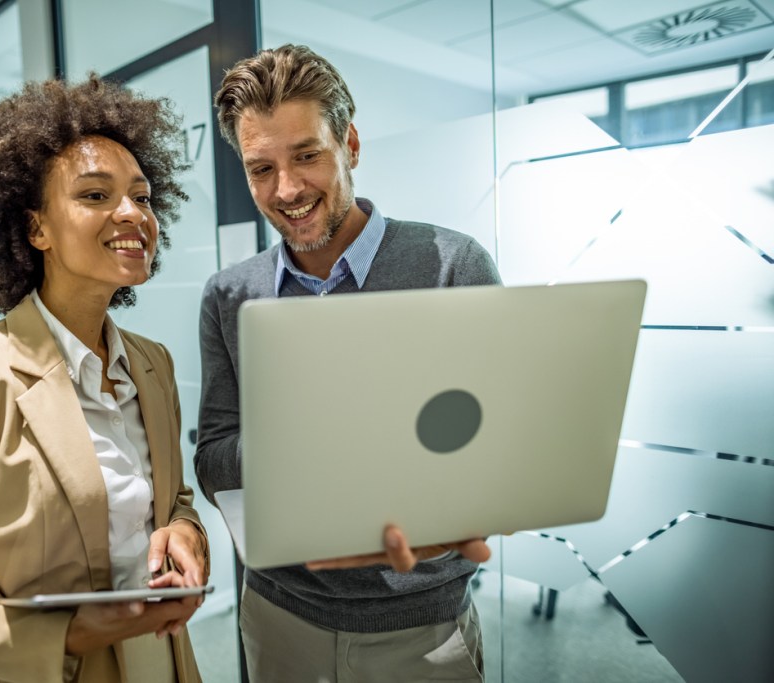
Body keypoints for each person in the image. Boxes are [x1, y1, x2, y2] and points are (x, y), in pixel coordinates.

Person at [0, 74, 210, 683]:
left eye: (143, 196)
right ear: (35, 228)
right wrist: (63, 634)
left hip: (166, 662)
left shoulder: (152, 364)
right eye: (96, 196)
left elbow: (169, 496)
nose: (132, 213)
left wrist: (184, 529)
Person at [195, 44, 501, 682]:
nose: (287, 190)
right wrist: (300, 445)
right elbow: (214, 457)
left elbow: (497, 445)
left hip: (423, 625)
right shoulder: (230, 295)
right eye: (261, 169)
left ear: (351, 144)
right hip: (280, 619)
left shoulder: (452, 266)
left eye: (307, 155)